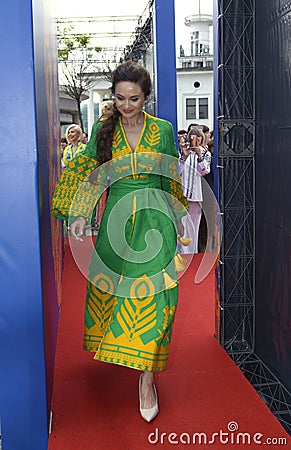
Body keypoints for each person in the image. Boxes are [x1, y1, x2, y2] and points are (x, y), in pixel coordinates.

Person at [52, 60, 188, 422]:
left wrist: (181, 218)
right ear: (113, 96)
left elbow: (170, 173)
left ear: (146, 98)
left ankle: (147, 379)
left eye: (135, 99)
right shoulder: (103, 129)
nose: (127, 106)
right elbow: (86, 169)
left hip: (156, 218)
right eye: (120, 98)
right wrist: (79, 211)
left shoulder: (162, 130)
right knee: (115, 291)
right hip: (116, 218)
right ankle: (124, 350)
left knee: (160, 295)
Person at [178, 126, 211, 254]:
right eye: (193, 137)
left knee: (194, 228)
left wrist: (198, 154)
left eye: (198, 137)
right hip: (182, 196)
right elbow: (178, 171)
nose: (195, 140)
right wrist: (184, 157)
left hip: (196, 197)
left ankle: (192, 254)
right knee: (183, 228)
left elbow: (204, 171)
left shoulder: (205, 153)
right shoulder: (183, 152)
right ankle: (182, 253)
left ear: (201, 139)